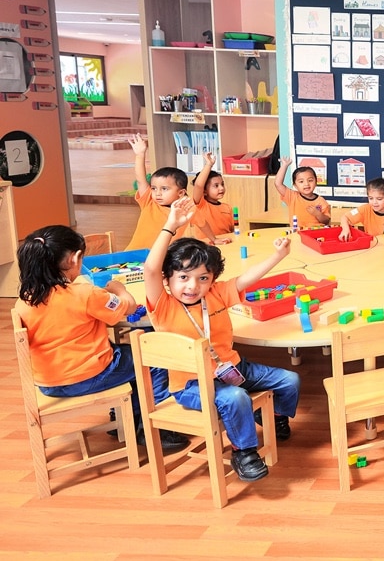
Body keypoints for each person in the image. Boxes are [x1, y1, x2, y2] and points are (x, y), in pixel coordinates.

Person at [144, 198, 301, 482]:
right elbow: (151, 270)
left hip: (233, 368)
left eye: (203, 278)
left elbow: (248, 279)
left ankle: (274, 418)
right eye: (183, 277)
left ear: (213, 279)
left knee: (289, 380)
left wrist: (279, 256)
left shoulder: (216, 294)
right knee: (236, 398)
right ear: (168, 279)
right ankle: (244, 451)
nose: (193, 286)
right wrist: (171, 225)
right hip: (191, 383)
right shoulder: (163, 306)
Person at [14, 225, 189, 454]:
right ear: (75, 258)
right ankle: (154, 428)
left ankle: (124, 418)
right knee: (153, 359)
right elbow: (128, 307)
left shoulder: (25, 300)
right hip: (88, 375)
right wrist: (119, 289)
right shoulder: (85, 294)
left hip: (48, 383)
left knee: (126, 355)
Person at [125, 133, 189, 250]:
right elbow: (140, 180)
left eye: (164, 189)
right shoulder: (149, 201)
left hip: (164, 257)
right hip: (134, 256)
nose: (157, 193)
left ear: (180, 193)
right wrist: (140, 155)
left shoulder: (185, 211)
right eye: (154, 188)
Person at [273, 158, 331, 228]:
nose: (306, 184)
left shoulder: (321, 201)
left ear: (316, 182)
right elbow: (278, 184)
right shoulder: (292, 196)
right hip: (297, 232)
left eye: (310, 180)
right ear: (295, 185)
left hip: (316, 232)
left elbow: (326, 221)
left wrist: (318, 214)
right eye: (301, 181)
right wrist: (284, 165)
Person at [191, 152, 234, 245]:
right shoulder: (201, 205)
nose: (221, 188)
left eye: (222, 184)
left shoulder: (227, 207)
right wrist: (209, 164)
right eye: (216, 186)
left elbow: (232, 232)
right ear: (204, 191)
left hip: (225, 244)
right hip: (206, 246)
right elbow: (198, 185)